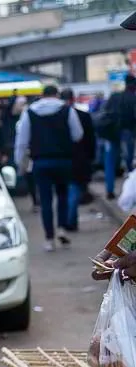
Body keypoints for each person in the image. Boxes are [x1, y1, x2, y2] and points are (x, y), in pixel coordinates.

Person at [14, 85, 84, 252]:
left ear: (42, 95)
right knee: (62, 196)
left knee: (45, 201)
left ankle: (49, 239)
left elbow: (22, 141)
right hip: (63, 160)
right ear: (57, 94)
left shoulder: (29, 112)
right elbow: (77, 134)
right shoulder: (67, 110)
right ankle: (62, 228)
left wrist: (20, 164)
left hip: (40, 162)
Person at [61, 88, 97, 230]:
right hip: (81, 158)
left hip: (64, 158)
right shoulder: (84, 115)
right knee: (75, 188)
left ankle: (68, 220)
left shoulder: (57, 116)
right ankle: (71, 219)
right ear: (73, 99)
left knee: (66, 190)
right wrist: (91, 157)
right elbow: (91, 139)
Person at [97, 75, 136, 200]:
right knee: (129, 162)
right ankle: (130, 191)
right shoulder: (133, 98)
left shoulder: (114, 96)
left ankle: (110, 190)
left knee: (110, 163)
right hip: (128, 133)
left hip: (111, 134)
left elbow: (104, 113)